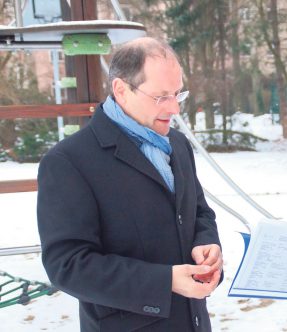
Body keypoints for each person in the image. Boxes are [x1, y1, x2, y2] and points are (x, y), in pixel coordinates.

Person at [37, 37, 223, 332]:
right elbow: (68, 266)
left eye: (178, 94)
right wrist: (164, 282)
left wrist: (206, 242)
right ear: (121, 90)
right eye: (161, 97)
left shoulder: (177, 144)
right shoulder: (68, 161)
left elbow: (199, 211)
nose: (174, 108)